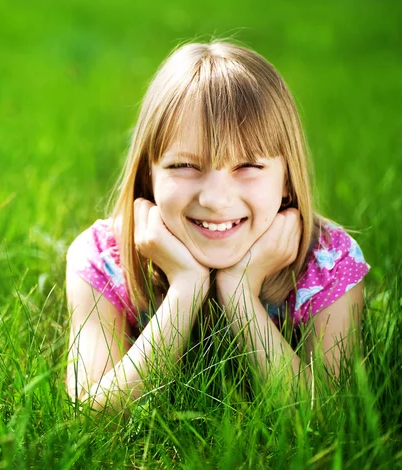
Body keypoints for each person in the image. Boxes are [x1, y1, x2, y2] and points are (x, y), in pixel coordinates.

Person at [65, 41, 369, 413]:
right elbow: (92, 413)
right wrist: (186, 287)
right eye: (184, 166)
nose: (215, 198)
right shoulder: (101, 258)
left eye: (248, 167)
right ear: (149, 173)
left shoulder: (328, 261)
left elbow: (326, 416)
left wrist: (240, 293)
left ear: (288, 178)